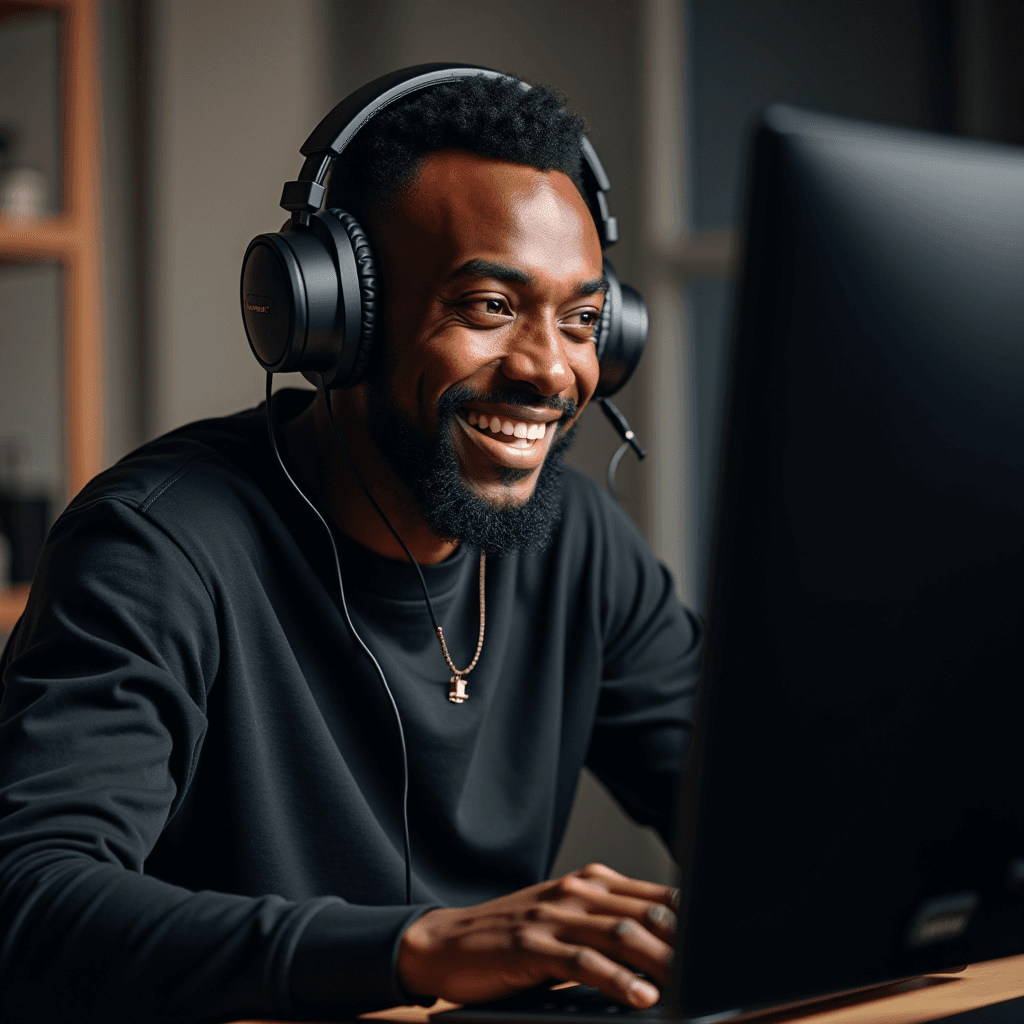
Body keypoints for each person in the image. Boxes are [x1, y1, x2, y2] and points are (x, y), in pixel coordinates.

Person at [0, 73, 701, 1022]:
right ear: (338, 319)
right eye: (491, 305)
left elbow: (752, 811)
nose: (549, 369)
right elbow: (30, 902)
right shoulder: (158, 545)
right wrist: (417, 948)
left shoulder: (580, 543)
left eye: (581, 321)